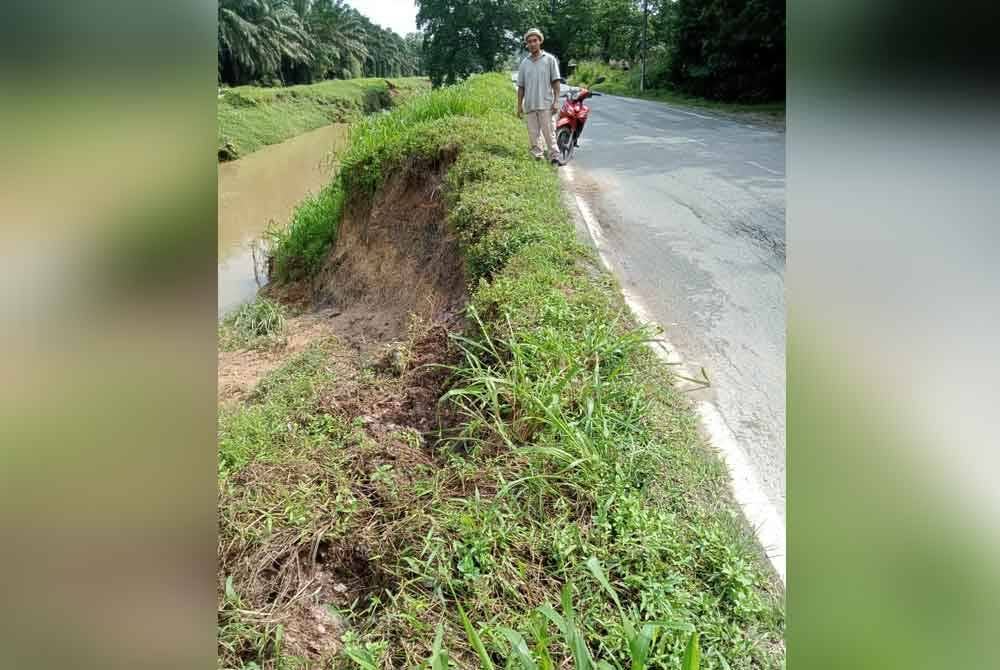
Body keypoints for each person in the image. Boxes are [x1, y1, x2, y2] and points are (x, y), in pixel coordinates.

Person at [516, 28, 562, 165]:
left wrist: (556, 101)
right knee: (533, 134)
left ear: (540, 41)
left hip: (546, 104)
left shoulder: (549, 60)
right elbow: (521, 87)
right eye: (529, 42)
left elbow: (556, 82)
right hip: (530, 105)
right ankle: (538, 156)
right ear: (527, 44)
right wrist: (519, 106)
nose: (532, 44)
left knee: (549, 133)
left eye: (535, 40)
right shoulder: (524, 63)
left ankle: (554, 156)